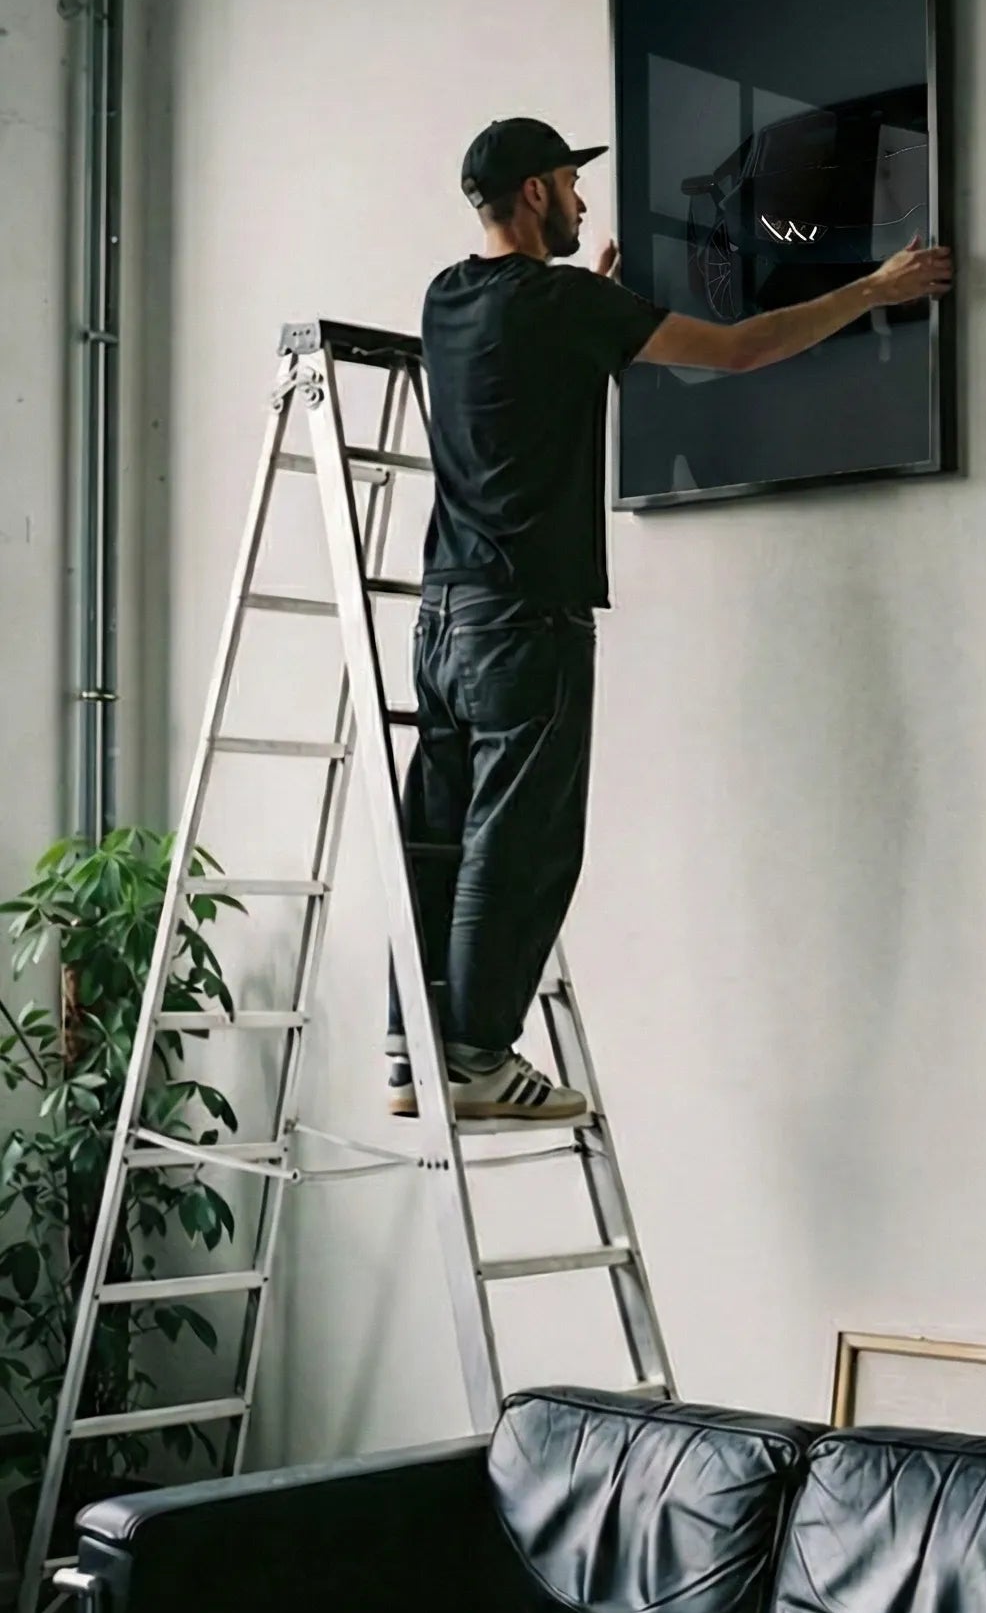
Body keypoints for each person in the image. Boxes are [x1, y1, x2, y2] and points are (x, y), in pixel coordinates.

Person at [387, 114, 953, 1121]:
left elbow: (533, 366)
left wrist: (600, 308)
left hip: (442, 618)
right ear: (531, 194)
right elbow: (736, 351)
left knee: (436, 834)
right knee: (519, 846)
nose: (582, 200)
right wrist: (874, 289)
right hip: (527, 620)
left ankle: (411, 1051)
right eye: (568, 183)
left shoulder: (448, 297)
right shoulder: (565, 303)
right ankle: (474, 1056)